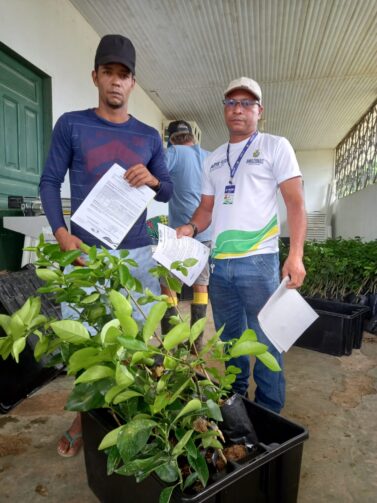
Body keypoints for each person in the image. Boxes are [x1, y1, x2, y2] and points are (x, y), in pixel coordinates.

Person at [39, 34, 173, 456]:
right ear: (95, 76)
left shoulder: (149, 136)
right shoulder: (72, 124)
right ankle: (85, 421)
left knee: (136, 342)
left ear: (133, 83)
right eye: (109, 73)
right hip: (85, 253)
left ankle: (133, 419)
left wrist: (152, 179)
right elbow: (48, 182)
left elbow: (166, 190)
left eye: (124, 75)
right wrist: (62, 234)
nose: (116, 82)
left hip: (135, 254)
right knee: (87, 345)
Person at [177, 77, 306, 413]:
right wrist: (190, 227)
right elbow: (206, 209)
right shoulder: (214, 159)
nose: (238, 109)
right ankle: (236, 409)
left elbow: (295, 203)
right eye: (231, 102)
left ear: (259, 111)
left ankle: (269, 416)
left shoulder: (276, 146)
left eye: (247, 103)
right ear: (224, 109)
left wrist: (296, 256)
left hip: (259, 262)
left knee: (266, 344)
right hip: (220, 266)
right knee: (231, 342)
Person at [160, 121, 211, 349]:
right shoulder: (208, 156)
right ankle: (196, 343)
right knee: (201, 286)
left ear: (171, 138)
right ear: (192, 137)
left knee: (168, 285)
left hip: (181, 234)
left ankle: (170, 341)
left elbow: (155, 180)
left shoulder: (172, 153)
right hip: (206, 231)